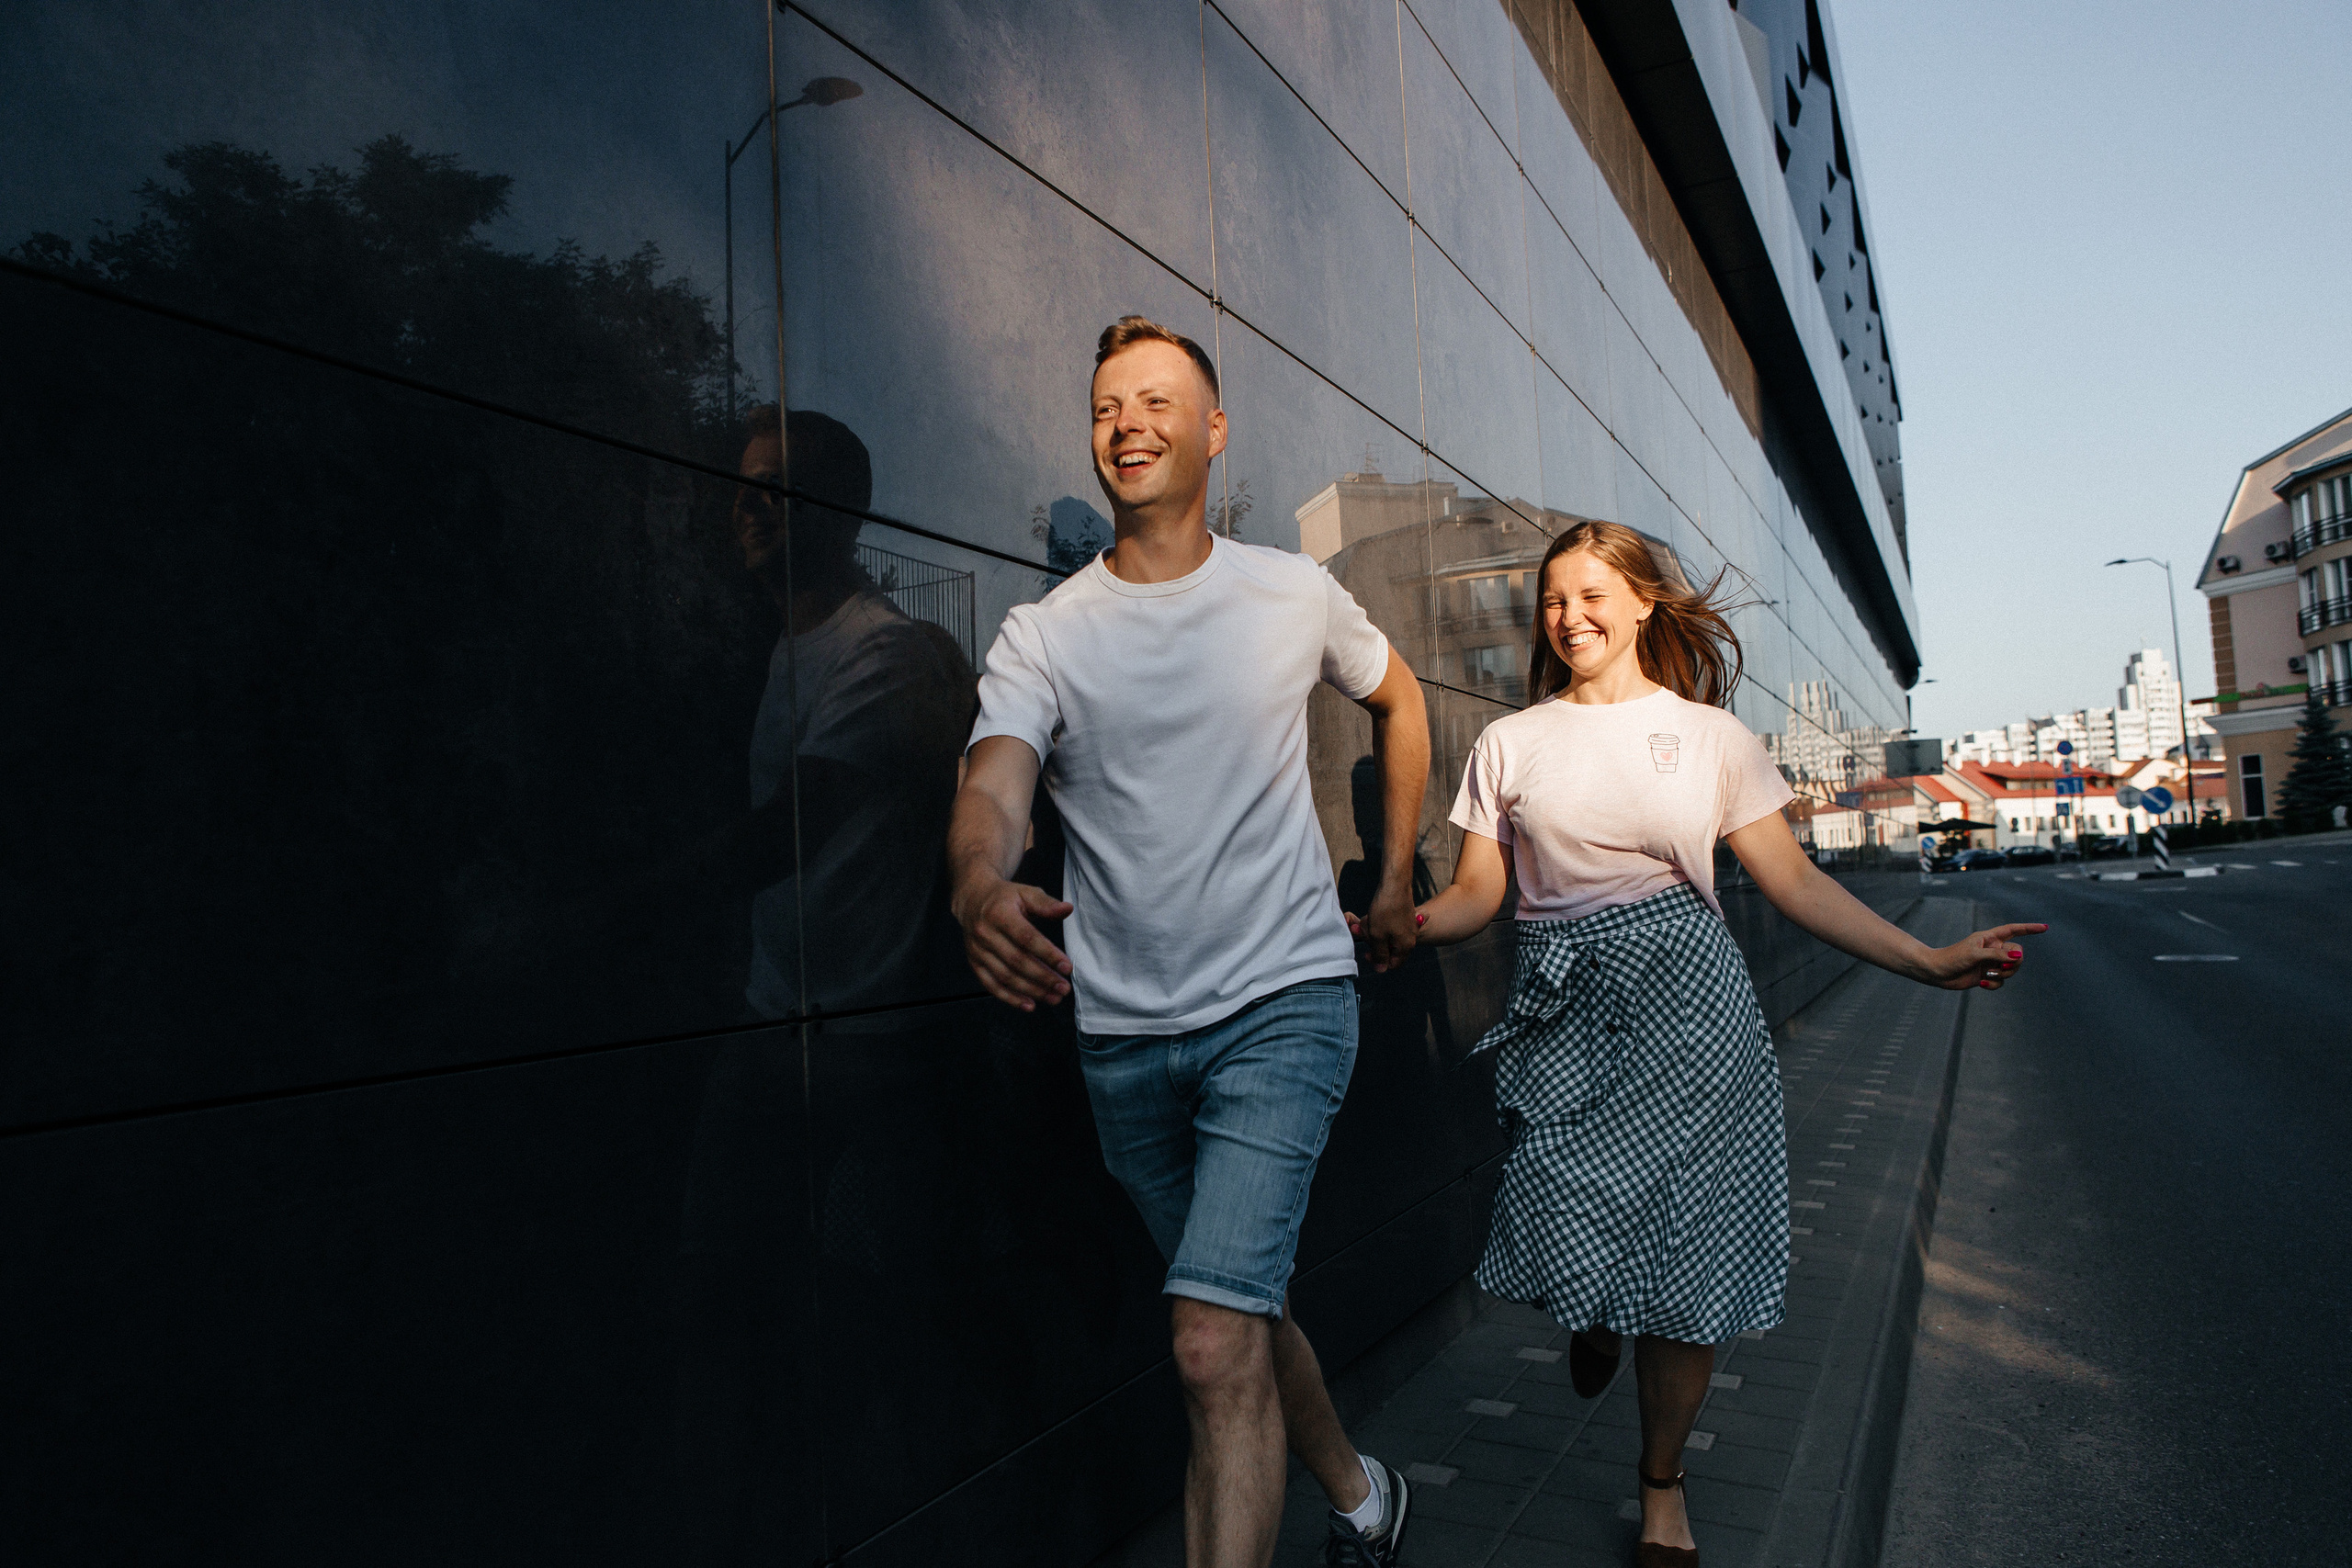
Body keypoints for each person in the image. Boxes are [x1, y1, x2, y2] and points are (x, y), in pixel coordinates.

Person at [1394, 521, 2043, 1568]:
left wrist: (1926, 964)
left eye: (1593, 593)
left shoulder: (1710, 739)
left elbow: (1794, 885)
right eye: (1553, 600)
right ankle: (1597, 1318)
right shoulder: (1510, 743)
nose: (1570, 617)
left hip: (1692, 1013)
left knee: (1688, 1268)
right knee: (1566, 1208)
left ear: (1645, 602)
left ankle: (1661, 1484)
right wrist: (1402, 925)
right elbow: (1477, 895)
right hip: (1566, 1011)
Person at [948, 317, 1431, 1567]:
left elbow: (1401, 695)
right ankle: (1366, 1495)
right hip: (1125, 1046)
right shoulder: (1045, 632)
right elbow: (996, 781)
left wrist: (1387, 878)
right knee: (1241, 1309)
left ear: (1213, 432)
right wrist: (975, 881)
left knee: (1210, 1339)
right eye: (1110, 403)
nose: (1130, 422)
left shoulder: (1288, 590)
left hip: (1282, 1004)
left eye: (1159, 400)